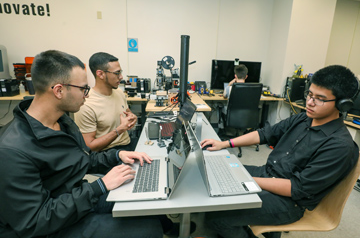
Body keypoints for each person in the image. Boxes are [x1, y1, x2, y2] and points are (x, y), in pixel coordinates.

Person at [0, 50, 166, 238]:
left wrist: (117, 156)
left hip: (76, 202)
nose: (86, 95)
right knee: (150, 229)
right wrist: (100, 187)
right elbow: (34, 221)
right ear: (59, 90)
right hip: (53, 227)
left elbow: (83, 158)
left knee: (150, 204)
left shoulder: (62, 122)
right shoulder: (12, 151)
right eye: (83, 89)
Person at [201, 65, 359, 238]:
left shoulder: (339, 145)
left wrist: (247, 181)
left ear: (342, 104)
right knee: (218, 173)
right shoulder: (304, 117)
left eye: (320, 99)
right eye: (309, 95)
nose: (310, 102)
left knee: (217, 217)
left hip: (290, 203)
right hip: (268, 173)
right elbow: (265, 134)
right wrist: (224, 143)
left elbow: (297, 188)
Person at [74, 52, 138, 152]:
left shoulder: (119, 92)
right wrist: (120, 130)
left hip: (127, 145)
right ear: (100, 74)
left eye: (120, 72)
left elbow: (127, 113)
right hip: (106, 155)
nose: (121, 77)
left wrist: (132, 117)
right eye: (117, 73)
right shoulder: (86, 105)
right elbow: (89, 147)